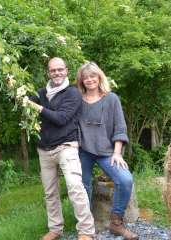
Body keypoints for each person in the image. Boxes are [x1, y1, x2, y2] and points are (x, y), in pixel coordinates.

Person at [27, 57, 95, 240]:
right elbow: (23, 104)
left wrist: (37, 108)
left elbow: (61, 119)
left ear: (66, 70)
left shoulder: (73, 93)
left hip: (66, 146)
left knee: (75, 187)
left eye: (60, 69)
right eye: (52, 70)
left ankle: (86, 231)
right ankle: (55, 229)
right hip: (44, 149)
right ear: (48, 73)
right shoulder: (41, 93)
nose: (56, 73)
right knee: (50, 192)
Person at [76, 61, 138, 240]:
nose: (89, 80)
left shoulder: (112, 99)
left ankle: (116, 223)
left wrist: (117, 153)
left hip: (107, 152)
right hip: (83, 151)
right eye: (85, 77)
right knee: (81, 185)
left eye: (92, 76)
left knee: (125, 179)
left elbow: (120, 127)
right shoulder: (77, 100)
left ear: (99, 77)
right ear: (81, 81)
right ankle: (86, 226)